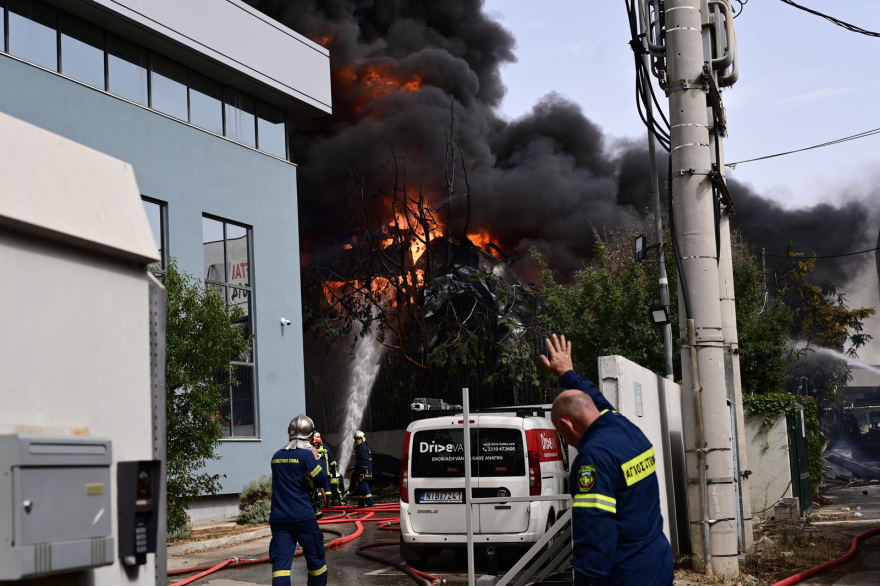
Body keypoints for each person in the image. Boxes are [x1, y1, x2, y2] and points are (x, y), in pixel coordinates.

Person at [541, 334, 673, 586]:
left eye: (561, 433)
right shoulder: (621, 425)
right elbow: (592, 396)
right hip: (657, 562)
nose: (566, 440)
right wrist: (567, 372)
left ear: (567, 424)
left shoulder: (593, 460)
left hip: (625, 575)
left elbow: (595, 535)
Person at [269, 414, 329, 586]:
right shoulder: (306, 455)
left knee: (280, 566)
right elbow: (321, 481)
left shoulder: (276, 456)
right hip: (303, 517)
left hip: (279, 519)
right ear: (309, 435)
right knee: (316, 559)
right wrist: (317, 459)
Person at [313, 431, 345, 506]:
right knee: (327, 489)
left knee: (318, 489)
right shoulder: (326, 448)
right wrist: (334, 470)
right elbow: (332, 461)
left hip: (316, 473)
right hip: (326, 473)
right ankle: (329, 505)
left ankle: (319, 505)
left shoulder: (311, 449)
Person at [351, 430, 374, 507]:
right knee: (361, 489)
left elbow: (364, 461)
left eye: (359, 438)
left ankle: (370, 502)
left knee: (364, 488)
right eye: (356, 438)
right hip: (362, 472)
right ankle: (361, 504)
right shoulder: (360, 447)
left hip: (364, 472)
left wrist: (361, 473)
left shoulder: (363, 448)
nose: (357, 440)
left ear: (362, 438)